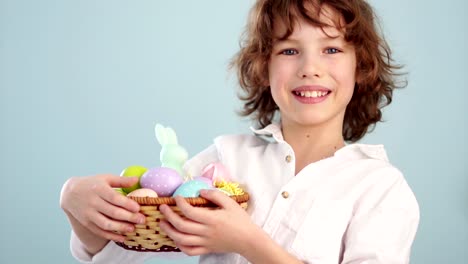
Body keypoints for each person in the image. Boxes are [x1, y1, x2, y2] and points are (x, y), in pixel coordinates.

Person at [60, 0, 420, 263]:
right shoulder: (225, 159)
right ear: (264, 68)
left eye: (331, 49)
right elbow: (124, 249)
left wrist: (249, 243)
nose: (310, 68)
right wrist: (75, 203)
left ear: (362, 67)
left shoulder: (380, 188)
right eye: (289, 50)